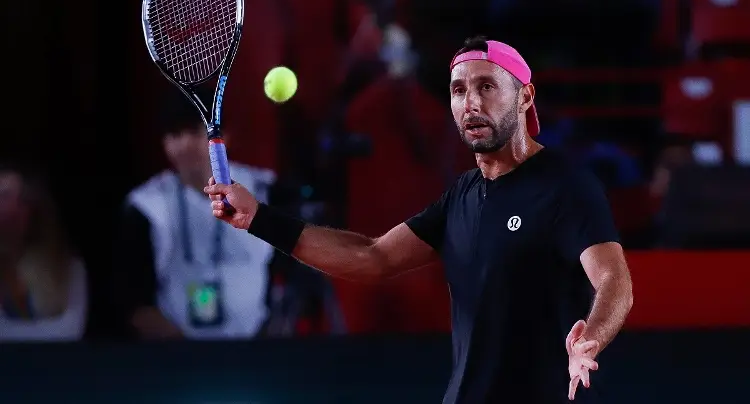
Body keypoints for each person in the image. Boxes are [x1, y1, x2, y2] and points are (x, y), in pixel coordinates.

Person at [205, 36, 634, 403]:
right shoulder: (461, 196)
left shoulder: (566, 186)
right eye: (459, 90)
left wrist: (589, 338)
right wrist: (258, 218)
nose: (472, 103)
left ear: (525, 97)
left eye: (487, 87)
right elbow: (371, 257)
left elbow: (615, 282)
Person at [113, 90, 275, 340]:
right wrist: (186, 354)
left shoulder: (265, 190)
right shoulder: (145, 207)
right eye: (175, 135)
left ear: (224, 137)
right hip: (179, 358)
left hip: (256, 350)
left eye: (194, 132)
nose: (184, 145)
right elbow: (135, 304)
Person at [0, 163, 88, 341]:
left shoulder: (68, 266)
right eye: (4, 197)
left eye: (23, 199)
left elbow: (72, 329)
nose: (15, 207)